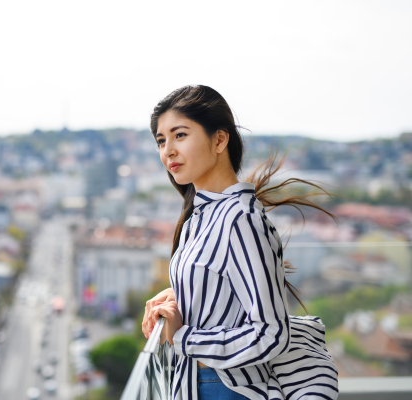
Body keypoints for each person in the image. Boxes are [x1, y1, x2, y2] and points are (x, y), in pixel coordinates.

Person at [141, 85, 338, 400]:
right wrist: (180, 293)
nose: (168, 151)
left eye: (180, 135)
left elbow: (272, 333)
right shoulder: (200, 217)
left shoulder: (240, 220)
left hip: (226, 390)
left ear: (219, 139)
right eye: (161, 141)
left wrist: (185, 338)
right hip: (197, 385)